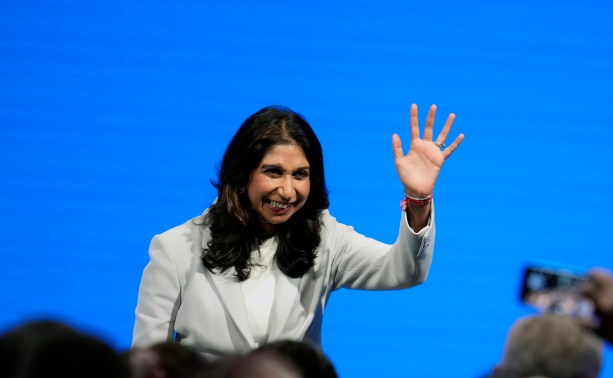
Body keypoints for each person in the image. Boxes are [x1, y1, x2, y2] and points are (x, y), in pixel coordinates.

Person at [133, 104, 464, 358]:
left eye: (300, 174)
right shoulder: (175, 247)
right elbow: (148, 363)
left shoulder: (325, 239)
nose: (288, 191)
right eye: (274, 172)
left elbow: (405, 271)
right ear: (242, 174)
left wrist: (419, 199)